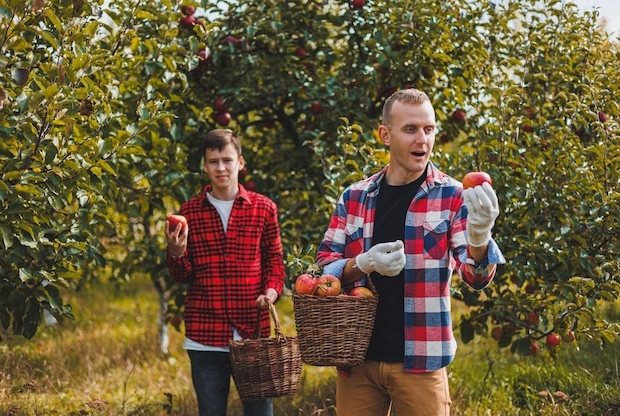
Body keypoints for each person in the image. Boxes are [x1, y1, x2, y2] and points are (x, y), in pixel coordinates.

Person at [316, 88, 505, 416]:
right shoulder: (355, 197)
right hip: (358, 361)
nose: (423, 140)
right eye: (411, 129)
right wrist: (362, 264)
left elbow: (475, 278)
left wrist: (479, 235)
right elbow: (323, 269)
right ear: (385, 135)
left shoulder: (453, 196)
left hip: (421, 361)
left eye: (429, 129)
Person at [165, 128, 285, 416]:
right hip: (205, 333)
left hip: (252, 330)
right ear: (205, 166)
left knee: (260, 412)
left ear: (240, 163)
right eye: (214, 161)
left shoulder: (264, 208)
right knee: (211, 411)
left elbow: (275, 261)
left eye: (227, 160)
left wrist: (271, 290)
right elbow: (183, 276)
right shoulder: (189, 212)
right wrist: (177, 253)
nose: (221, 167)